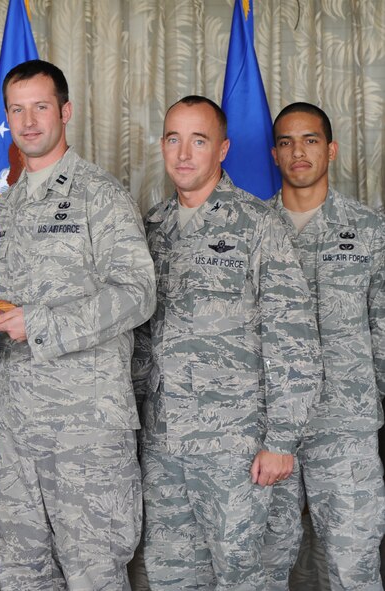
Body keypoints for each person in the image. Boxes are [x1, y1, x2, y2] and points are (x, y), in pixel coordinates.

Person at [0, 59, 156, 590]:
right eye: (17, 109)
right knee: (22, 573)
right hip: (16, 427)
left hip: (86, 427)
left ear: (66, 111)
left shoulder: (100, 195)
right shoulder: (5, 207)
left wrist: (43, 323)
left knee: (94, 574)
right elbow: (1, 309)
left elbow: (137, 294)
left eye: (41, 106)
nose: (28, 121)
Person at [132, 95, 322, 590]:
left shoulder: (259, 224)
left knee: (245, 576)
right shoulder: (150, 228)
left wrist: (282, 440)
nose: (184, 153)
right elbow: (139, 339)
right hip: (164, 441)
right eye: (174, 139)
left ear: (223, 149)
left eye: (199, 140)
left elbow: (293, 336)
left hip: (235, 446)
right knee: (171, 574)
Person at [261, 103, 385, 590]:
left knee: (354, 565)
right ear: (274, 154)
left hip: (345, 425)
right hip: (270, 430)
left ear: (330, 149)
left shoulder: (369, 230)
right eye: (287, 142)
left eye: (310, 140)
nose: (299, 151)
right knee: (264, 564)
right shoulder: (251, 229)